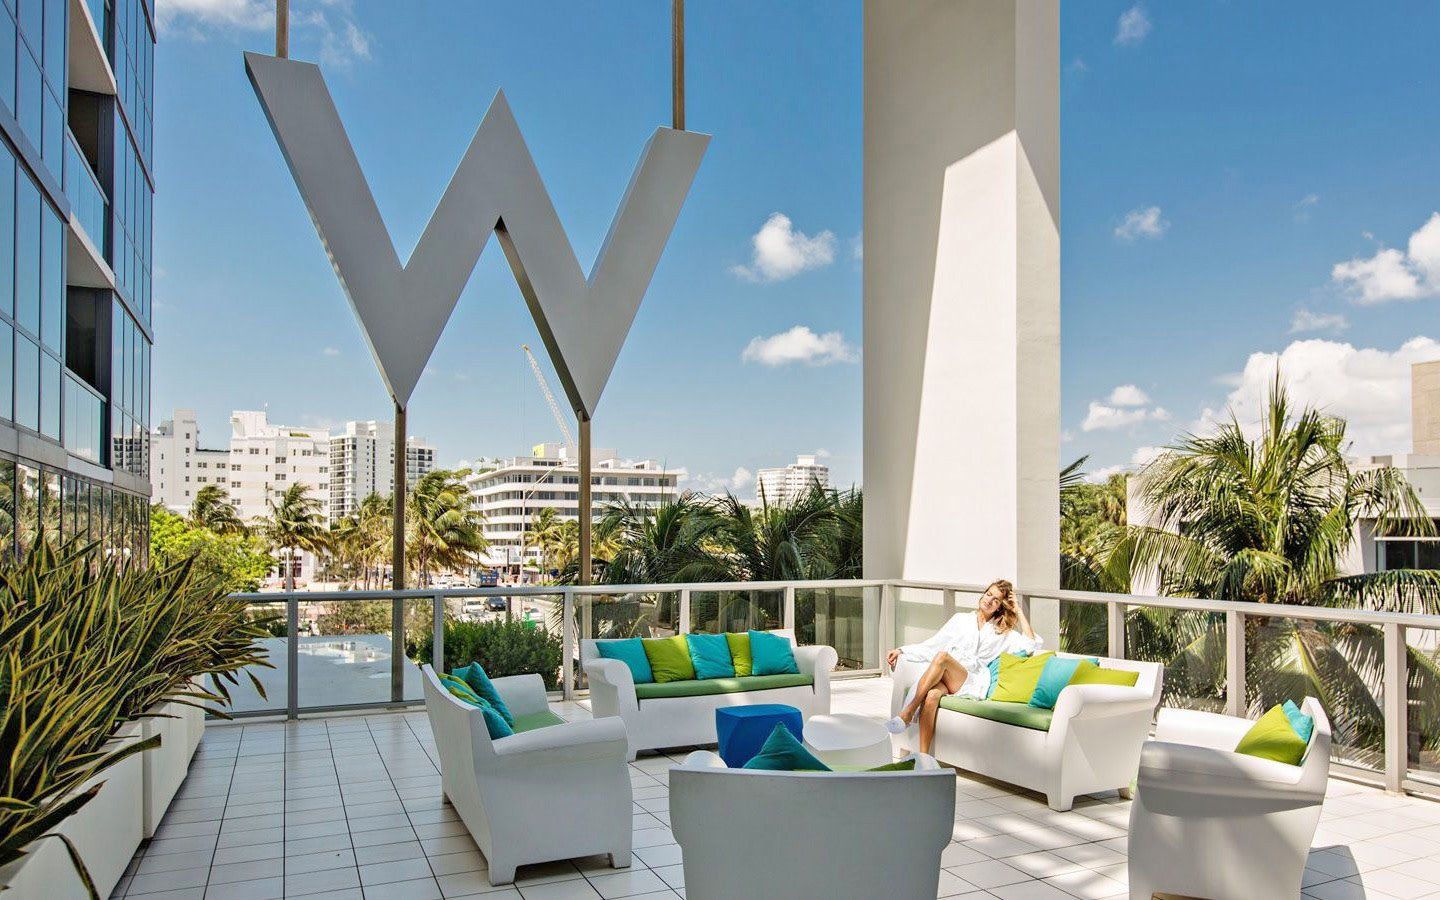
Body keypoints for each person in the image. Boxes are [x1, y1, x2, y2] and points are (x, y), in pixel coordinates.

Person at [884, 579, 1041, 755]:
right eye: (988, 594)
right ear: (983, 594)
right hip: (948, 676)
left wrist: (1018, 610)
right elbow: (933, 645)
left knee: (942, 657)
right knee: (932, 696)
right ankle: (924, 759)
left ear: (1000, 607)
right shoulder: (960, 619)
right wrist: (902, 650)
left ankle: (907, 712)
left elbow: (1031, 644)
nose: (989, 600)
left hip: (972, 680)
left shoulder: (1002, 632)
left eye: (996, 600)